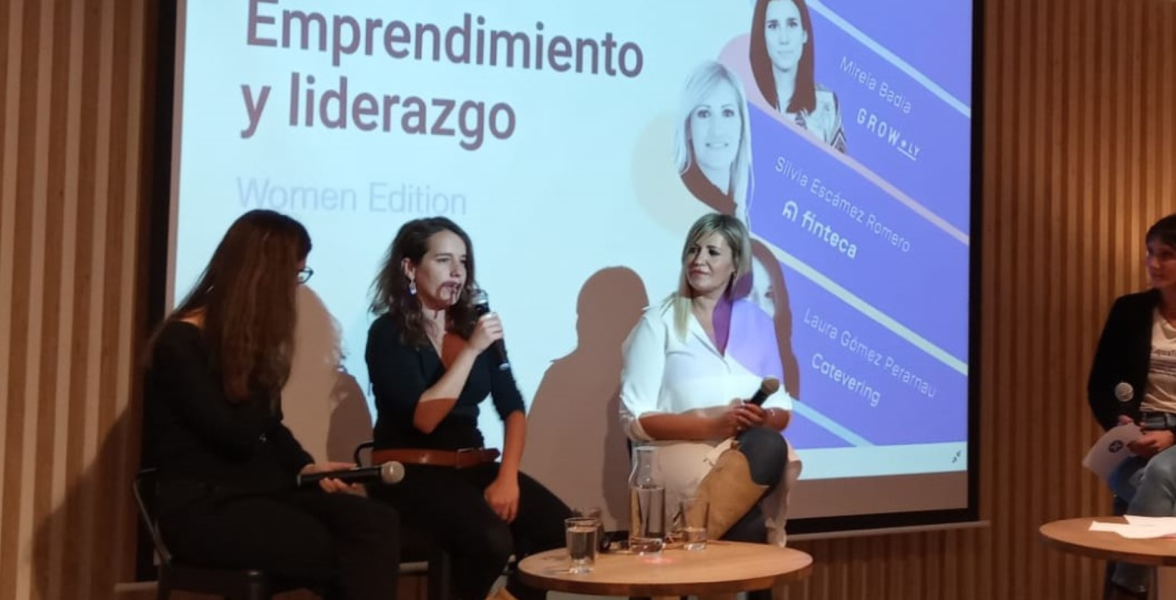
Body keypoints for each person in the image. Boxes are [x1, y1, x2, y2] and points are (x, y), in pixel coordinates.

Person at [142, 209, 400, 600]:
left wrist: (306, 466)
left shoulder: (242, 345)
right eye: (295, 276)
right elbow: (236, 436)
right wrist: (256, 360)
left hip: (258, 495)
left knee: (375, 521)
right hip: (203, 508)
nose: (295, 288)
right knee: (340, 548)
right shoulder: (180, 344)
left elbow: (272, 427)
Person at [364, 217, 570, 600]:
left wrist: (507, 477)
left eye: (463, 261)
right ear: (410, 267)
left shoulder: (472, 326)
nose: (457, 272)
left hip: (472, 467)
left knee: (562, 529)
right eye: (444, 260)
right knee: (491, 538)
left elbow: (513, 407)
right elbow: (425, 419)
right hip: (413, 474)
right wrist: (472, 350)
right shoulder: (388, 333)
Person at [618, 213, 797, 600]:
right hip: (678, 460)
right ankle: (685, 549)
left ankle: (678, 551)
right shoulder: (658, 322)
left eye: (712, 252)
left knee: (768, 443)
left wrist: (761, 416)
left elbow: (782, 409)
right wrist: (706, 424)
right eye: (693, 250)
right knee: (749, 531)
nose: (698, 259)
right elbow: (635, 419)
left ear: (735, 265)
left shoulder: (758, 324)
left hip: (740, 457)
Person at [675, 60, 801, 396]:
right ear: (687, 126)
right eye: (704, 114)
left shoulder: (743, 216)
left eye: (728, 113)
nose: (717, 129)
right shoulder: (676, 217)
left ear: (743, 124)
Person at [1089, 214, 1176, 600]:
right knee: (1144, 491)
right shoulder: (1129, 310)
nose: (1153, 264)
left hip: (1172, 438)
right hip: (1138, 438)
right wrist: (1119, 423)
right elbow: (1099, 386)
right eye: (1150, 253)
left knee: (1157, 477)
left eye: (1166, 255)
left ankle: (1126, 588)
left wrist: (1172, 434)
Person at [749, 0, 846, 152]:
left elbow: (837, 173)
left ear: (804, 34)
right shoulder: (746, 100)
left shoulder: (827, 103)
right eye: (773, 26)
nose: (784, 39)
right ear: (762, 36)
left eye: (792, 24)